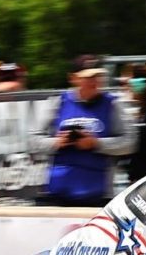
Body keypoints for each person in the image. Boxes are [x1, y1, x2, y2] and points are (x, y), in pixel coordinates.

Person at [31, 57, 136, 207]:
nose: (95, 81)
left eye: (98, 76)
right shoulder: (57, 102)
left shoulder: (113, 104)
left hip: (98, 194)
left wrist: (96, 143)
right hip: (59, 193)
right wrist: (57, 142)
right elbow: (33, 139)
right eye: (88, 77)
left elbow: (130, 141)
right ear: (73, 78)